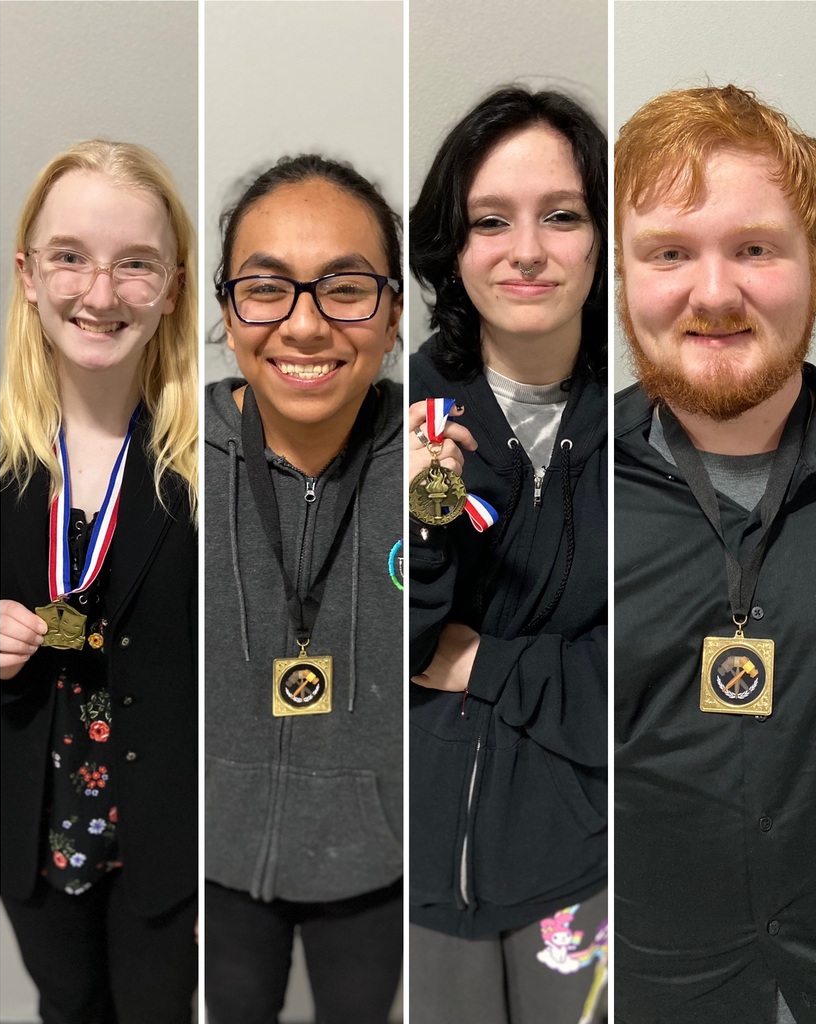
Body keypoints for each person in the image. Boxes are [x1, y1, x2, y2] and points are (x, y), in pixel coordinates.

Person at [614, 85, 816, 1024]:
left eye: (755, 249)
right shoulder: (558, 491)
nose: (715, 294)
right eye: (669, 253)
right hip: (645, 981)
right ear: (620, 275)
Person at [407, 87, 609, 1024]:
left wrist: (482, 661)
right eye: (491, 221)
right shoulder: (387, 409)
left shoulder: (656, 428)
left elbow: (656, 682)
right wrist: (422, 523)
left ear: (603, 240)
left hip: (584, 859)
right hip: (406, 865)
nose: (526, 251)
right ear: (452, 247)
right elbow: (360, 651)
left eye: (561, 216)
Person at [0, 140, 198, 1024]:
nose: (101, 294)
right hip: (33, 826)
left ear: (174, 286)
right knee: (66, 1008)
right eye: (70, 257)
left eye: (136, 264)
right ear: (27, 276)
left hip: (169, 834)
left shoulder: (213, 459)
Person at [203, 154, 404, 1024]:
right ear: (227, 312)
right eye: (267, 289)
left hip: (376, 863)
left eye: (346, 289)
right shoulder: (168, 456)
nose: (306, 325)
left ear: (393, 316)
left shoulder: (443, 463)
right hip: (207, 858)